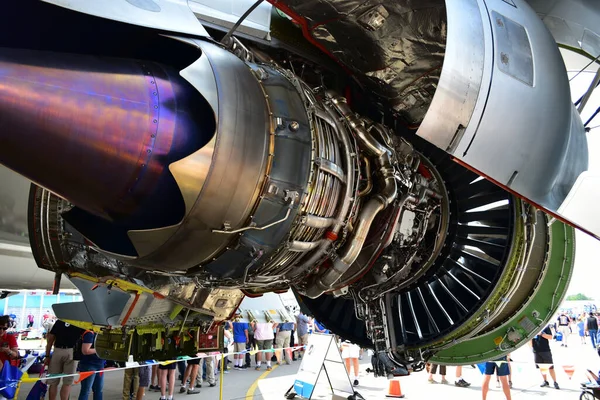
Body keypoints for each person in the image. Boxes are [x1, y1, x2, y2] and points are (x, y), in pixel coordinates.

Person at [45, 319, 84, 400]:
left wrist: (47, 356)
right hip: (71, 352)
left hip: (57, 351)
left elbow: (50, 340)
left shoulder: (59, 321)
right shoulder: (79, 322)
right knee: (67, 382)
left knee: (53, 382)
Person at [78, 330, 105, 400]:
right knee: (86, 390)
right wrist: (99, 350)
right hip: (89, 365)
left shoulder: (99, 333)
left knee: (98, 390)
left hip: (99, 364)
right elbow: (85, 351)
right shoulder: (90, 334)